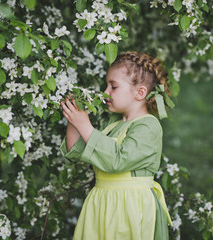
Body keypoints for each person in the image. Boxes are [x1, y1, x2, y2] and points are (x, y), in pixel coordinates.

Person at [60, 51, 174, 240]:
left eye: (113, 86)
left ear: (140, 92)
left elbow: (117, 160)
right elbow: (75, 151)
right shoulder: (114, 125)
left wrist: (85, 125)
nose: (106, 92)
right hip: (102, 202)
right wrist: (74, 119)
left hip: (130, 207)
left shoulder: (148, 126)